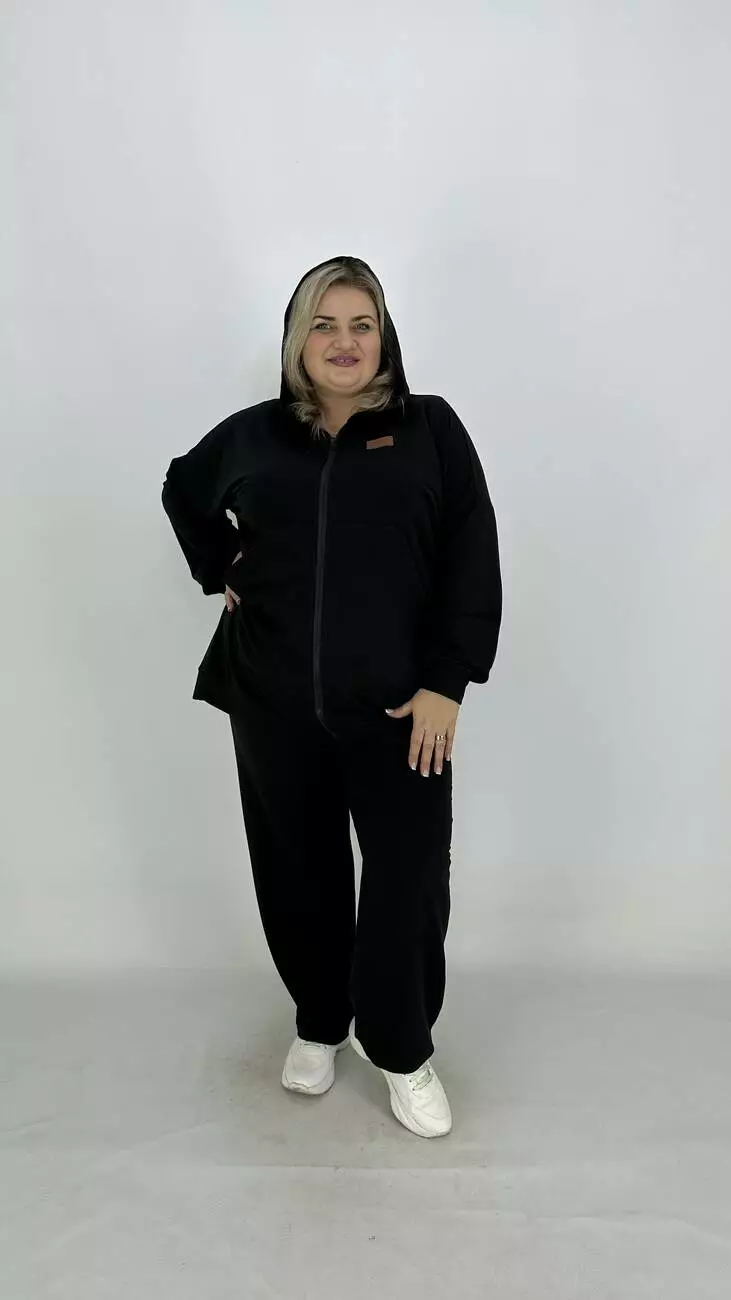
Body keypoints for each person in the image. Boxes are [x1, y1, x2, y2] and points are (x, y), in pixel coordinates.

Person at [161, 255, 502, 1138]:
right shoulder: (254, 435)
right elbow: (182, 487)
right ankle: (320, 1019)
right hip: (270, 701)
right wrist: (220, 563)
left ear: (384, 337)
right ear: (295, 340)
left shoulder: (430, 429)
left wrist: (447, 681)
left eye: (361, 324)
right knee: (296, 872)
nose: (343, 342)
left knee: (407, 883)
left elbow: (470, 555)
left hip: (401, 713)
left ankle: (401, 1047)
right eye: (323, 324)